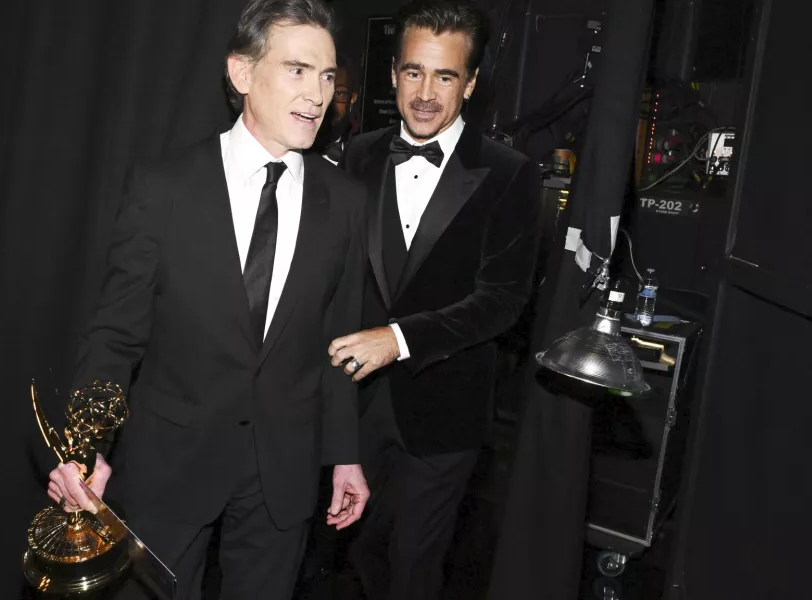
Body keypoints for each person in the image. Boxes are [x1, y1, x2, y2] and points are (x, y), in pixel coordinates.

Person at [47, 1, 370, 598]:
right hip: (171, 462)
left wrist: (345, 455)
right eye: (297, 70)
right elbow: (117, 333)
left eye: (327, 76)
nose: (318, 93)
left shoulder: (346, 204)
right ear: (241, 74)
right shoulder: (163, 186)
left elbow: (339, 339)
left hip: (284, 467)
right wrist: (85, 443)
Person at [330, 1, 543, 598]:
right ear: (394, 73)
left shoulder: (509, 174)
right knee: (356, 553)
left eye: (445, 76)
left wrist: (398, 340)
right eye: (414, 73)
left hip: (445, 410)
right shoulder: (356, 157)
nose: (426, 93)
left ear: (471, 83)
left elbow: (502, 301)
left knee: (414, 565)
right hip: (354, 408)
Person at [313, 53, 359, 165]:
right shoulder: (292, 148)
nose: (329, 101)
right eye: (323, 90)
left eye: (339, 93)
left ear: (352, 99)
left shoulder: (361, 157)